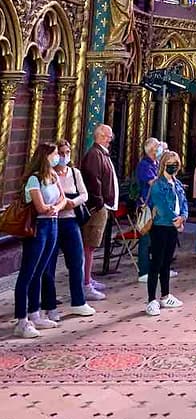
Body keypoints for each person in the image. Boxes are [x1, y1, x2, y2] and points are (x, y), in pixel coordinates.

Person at [13, 142, 67, 338]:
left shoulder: (53, 176)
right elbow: (39, 206)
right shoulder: (34, 179)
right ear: (45, 156)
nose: (58, 157)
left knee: (41, 270)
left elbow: (63, 198)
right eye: (54, 154)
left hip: (53, 224)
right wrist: (49, 208)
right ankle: (21, 319)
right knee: (28, 272)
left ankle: (34, 314)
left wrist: (57, 207)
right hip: (38, 227)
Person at [43, 140, 96, 320]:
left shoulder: (74, 173)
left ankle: (79, 301)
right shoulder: (48, 175)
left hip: (71, 221)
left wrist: (73, 203)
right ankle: (50, 306)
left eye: (67, 152)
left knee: (76, 261)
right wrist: (59, 204)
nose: (64, 156)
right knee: (48, 264)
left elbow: (84, 194)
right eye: (61, 153)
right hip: (53, 222)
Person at [80, 123, 119, 300]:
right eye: (109, 135)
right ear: (101, 136)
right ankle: (85, 283)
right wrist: (101, 202)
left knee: (92, 245)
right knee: (89, 244)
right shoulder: (95, 155)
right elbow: (93, 180)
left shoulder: (101, 153)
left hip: (102, 206)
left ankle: (87, 278)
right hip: (97, 207)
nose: (111, 138)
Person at [145, 150, 187, 316]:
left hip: (173, 227)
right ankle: (151, 300)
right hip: (160, 226)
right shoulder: (157, 184)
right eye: (171, 163)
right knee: (156, 262)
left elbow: (183, 202)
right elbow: (161, 206)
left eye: (176, 163)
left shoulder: (177, 183)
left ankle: (165, 295)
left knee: (167, 263)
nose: (174, 166)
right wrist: (175, 219)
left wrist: (183, 217)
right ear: (164, 164)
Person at [135, 137, 161, 283]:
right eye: (157, 146)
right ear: (151, 149)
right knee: (146, 239)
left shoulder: (156, 163)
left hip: (158, 205)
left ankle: (158, 268)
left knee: (158, 239)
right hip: (147, 206)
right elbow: (152, 182)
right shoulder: (144, 165)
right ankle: (144, 270)